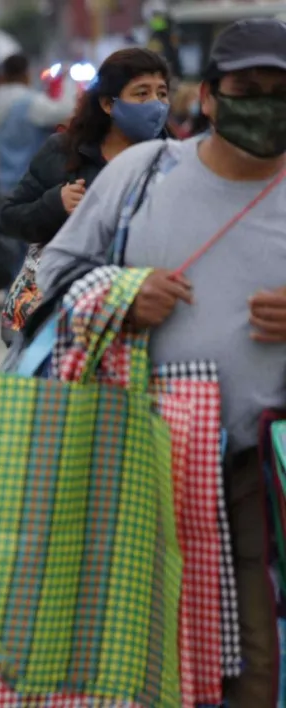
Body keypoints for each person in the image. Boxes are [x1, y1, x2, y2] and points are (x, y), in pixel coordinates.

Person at [37, 19, 286, 706]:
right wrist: (120, 295)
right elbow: (40, 288)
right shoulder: (141, 175)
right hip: (134, 459)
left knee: (253, 666)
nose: (265, 103)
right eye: (249, 89)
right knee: (131, 657)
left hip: (262, 475)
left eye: (280, 91)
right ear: (208, 98)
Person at [0, 48, 171, 335]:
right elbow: (10, 216)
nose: (155, 104)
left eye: (162, 94)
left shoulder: (175, 160)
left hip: (146, 316)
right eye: (142, 94)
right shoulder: (65, 152)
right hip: (69, 318)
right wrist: (54, 203)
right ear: (108, 104)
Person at [0, 53, 73, 200]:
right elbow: (65, 111)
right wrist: (66, 81)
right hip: (26, 186)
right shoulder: (31, 103)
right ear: (27, 73)